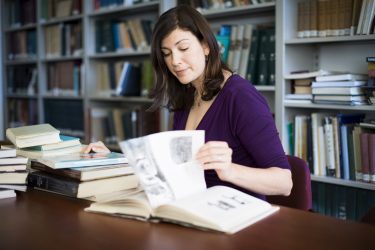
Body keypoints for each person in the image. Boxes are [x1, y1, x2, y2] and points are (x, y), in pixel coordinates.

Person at [85, 5, 292, 200]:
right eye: (167, 54)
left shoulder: (241, 97)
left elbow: (284, 182)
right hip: (193, 208)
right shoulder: (187, 93)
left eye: (183, 48)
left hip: (235, 216)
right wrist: (115, 159)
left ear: (205, 46)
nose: (175, 61)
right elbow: (173, 167)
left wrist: (229, 171)